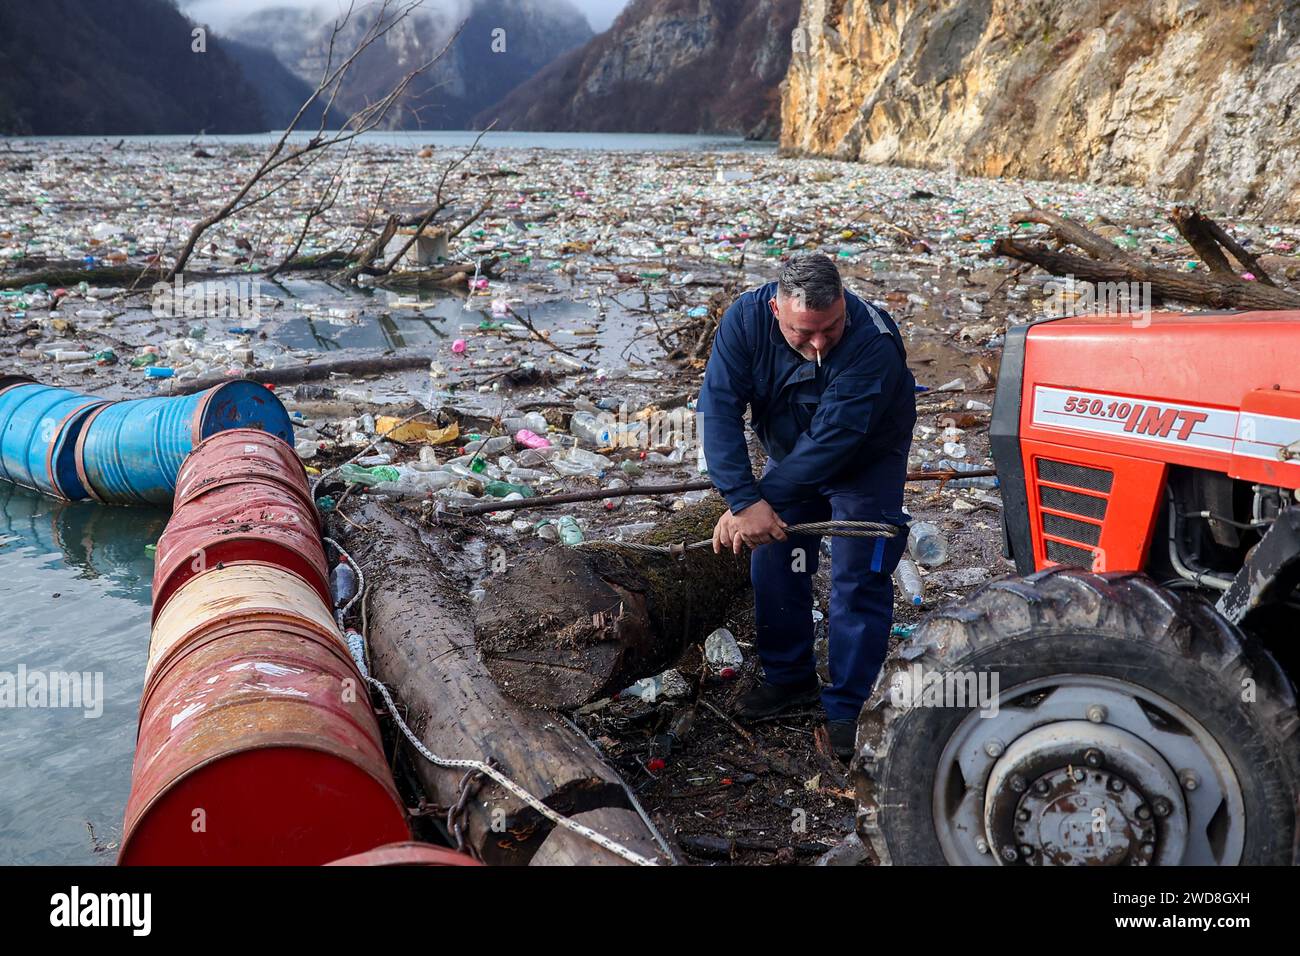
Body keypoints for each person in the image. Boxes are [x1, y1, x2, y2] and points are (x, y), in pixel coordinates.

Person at [697, 253, 916, 759]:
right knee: (774, 556)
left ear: (844, 304)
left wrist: (755, 501)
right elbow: (718, 412)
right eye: (804, 332)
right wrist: (742, 499)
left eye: (831, 327)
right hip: (788, 451)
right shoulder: (745, 321)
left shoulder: (872, 342)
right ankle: (788, 676)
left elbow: (834, 441)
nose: (819, 343)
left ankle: (849, 706)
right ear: (776, 308)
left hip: (865, 458)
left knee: (857, 576)